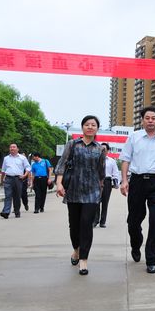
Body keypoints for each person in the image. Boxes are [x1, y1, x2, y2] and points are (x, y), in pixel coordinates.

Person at [119, 106, 155, 274]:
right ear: (142, 120)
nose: (150, 120)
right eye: (147, 118)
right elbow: (126, 160)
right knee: (134, 220)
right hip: (137, 181)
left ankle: (151, 259)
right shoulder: (134, 138)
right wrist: (124, 180)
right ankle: (136, 244)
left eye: (153, 118)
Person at [55, 115, 105, 276]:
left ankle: (83, 259)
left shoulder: (100, 149)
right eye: (87, 124)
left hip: (92, 192)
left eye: (93, 125)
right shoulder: (72, 144)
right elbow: (61, 164)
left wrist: (101, 190)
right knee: (74, 225)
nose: (90, 127)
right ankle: (76, 249)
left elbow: (101, 172)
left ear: (97, 128)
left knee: (86, 224)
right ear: (82, 127)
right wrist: (59, 183)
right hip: (74, 190)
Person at [0, 144, 31, 219]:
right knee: (8, 196)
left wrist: (24, 175)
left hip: (18, 179)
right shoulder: (6, 158)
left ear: (17, 149)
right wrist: (1, 180)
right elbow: (3, 170)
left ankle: (17, 211)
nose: (12, 148)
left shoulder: (22, 158)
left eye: (14, 147)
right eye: (10, 147)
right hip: (8, 179)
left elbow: (28, 167)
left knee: (17, 196)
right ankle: (6, 212)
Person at [93, 143, 119, 228]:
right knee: (96, 202)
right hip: (96, 181)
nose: (102, 151)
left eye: (104, 149)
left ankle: (102, 222)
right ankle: (95, 220)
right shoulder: (95, 159)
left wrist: (116, 183)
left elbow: (115, 173)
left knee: (105, 202)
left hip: (107, 182)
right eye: (101, 149)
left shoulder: (111, 161)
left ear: (108, 151)